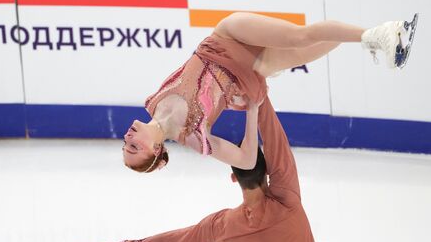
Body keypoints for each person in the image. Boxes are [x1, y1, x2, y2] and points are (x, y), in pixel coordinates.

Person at [123, 12, 415, 172]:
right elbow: (247, 161)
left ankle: (385, 32)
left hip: (225, 38)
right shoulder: (193, 137)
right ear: (156, 150)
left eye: (125, 144)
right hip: (245, 71)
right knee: (305, 52)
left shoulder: (153, 103)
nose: (128, 139)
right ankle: (375, 38)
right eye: (134, 147)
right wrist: (253, 112)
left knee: (299, 36)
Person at [87, 96, 320, 242]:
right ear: (268, 170)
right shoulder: (287, 200)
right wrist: (260, 97)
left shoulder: (224, 228)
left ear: (234, 178)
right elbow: (276, 142)